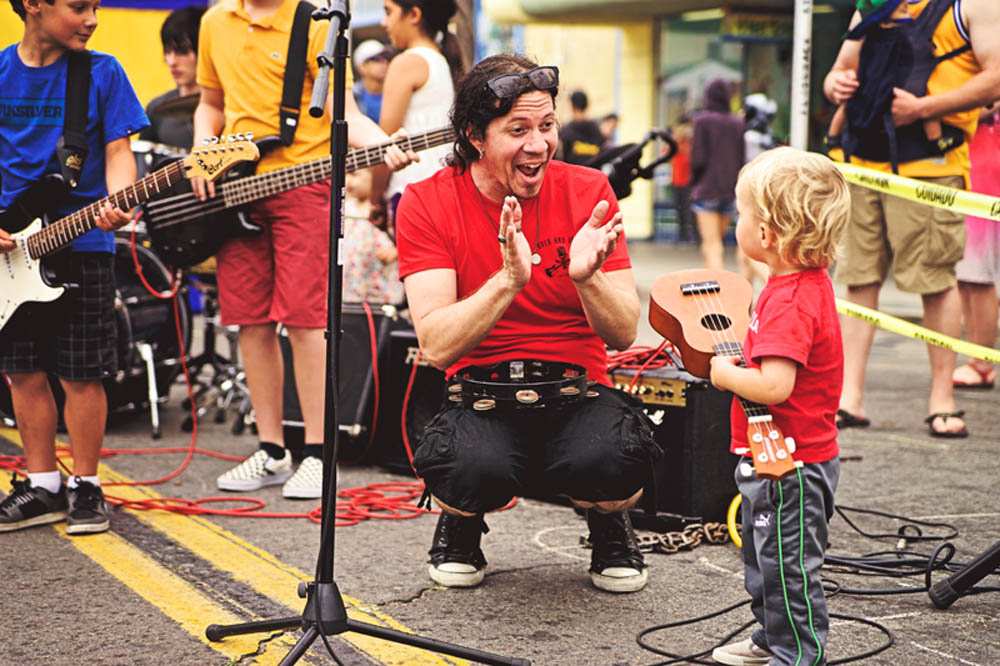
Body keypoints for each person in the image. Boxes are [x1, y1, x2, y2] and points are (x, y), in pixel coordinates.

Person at [396, 54, 658, 594]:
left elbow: (624, 332)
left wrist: (587, 279)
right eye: (517, 130)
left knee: (615, 456)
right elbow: (437, 346)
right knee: (467, 465)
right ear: (474, 135)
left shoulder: (590, 192)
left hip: (577, 388)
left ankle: (610, 521)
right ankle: (462, 521)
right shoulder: (426, 201)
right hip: (479, 391)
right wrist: (507, 281)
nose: (538, 145)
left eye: (546, 125)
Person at [191, 0, 416, 499]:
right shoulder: (214, 21)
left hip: (303, 184)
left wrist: (384, 144)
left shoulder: (319, 22)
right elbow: (210, 102)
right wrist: (203, 148)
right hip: (235, 185)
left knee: (304, 319)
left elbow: (344, 111)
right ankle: (272, 449)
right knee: (249, 319)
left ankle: (317, 452)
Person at [0, 0, 148, 533]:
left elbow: (117, 151)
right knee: (21, 370)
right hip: (11, 249)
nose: (92, 18)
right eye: (78, 6)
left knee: (83, 372)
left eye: (96, 6)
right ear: (34, 5)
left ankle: (86, 484)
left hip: (82, 242)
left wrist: (120, 199)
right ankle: (41, 482)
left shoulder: (101, 72)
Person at [825, 0, 1000, 437]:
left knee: (935, 281)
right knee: (858, 278)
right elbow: (837, 72)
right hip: (861, 161)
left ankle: (942, 399)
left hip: (929, 168)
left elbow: (995, 77)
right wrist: (837, 85)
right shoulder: (872, 5)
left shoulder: (973, 6)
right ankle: (850, 398)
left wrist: (924, 109)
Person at [709, 148, 851, 666]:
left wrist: (724, 374)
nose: (736, 219)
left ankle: (797, 653)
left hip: (790, 465)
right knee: (765, 556)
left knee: (787, 566)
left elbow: (774, 385)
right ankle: (772, 639)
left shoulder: (790, 300)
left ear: (767, 234)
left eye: (742, 211)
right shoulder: (795, 286)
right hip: (780, 457)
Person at [826, 0, 946, 170]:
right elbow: (838, 73)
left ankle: (936, 146)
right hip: (874, 91)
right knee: (850, 106)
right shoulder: (872, 24)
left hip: (895, 93)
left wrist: (920, 107)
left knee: (924, 109)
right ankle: (936, 145)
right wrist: (837, 83)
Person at [372, 0, 461, 227]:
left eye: (388, 12)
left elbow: (385, 144)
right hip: (444, 190)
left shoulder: (407, 62)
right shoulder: (441, 60)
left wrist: (374, 199)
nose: (384, 22)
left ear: (413, 14)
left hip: (411, 192)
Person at [953, 106, 1000, 389]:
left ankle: (982, 363)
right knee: (967, 276)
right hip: (970, 163)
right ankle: (977, 356)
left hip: (986, 171)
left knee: (978, 275)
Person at [690, 79, 746, 275]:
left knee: (711, 246)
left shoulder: (702, 121)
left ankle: (719, 294)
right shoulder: (738, 123)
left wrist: (694, 183)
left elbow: (697, 158)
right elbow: (741, 158)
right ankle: (712, 289)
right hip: (730, 190)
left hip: (706, 189)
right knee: (716, 244)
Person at [138, 5, 205, 149]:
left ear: (204, 51)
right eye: (167, 52)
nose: (172, 61)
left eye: (182, 51)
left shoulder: (227, 108)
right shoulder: (156, 108)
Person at [342, 169, 404, 305]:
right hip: (351, 292)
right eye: (345, 174)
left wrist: (396, 251)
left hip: (380, 292)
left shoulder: (387, 207)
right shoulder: (344, 207)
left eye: (354, 174)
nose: (347, 180)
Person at [558, 89, 606, 166]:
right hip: (593, 173)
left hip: (573, 174)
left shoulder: (566, 130)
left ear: (572, 105)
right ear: (586, 104)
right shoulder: (596, 128)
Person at [351, 38, 391, 124]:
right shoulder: (352, 97)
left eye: (386, 58)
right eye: (376, 59)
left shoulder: (398, 91)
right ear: (362, 67)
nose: (384, 63)